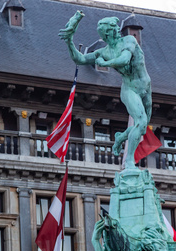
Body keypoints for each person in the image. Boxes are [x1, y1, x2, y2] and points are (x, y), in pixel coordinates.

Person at [59, 12, 152, 169]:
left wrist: (105, 63)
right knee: (141, 122)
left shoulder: (129, 40)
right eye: (103, 34)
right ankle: (129, 161)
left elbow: (124, 59)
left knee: (143, 126)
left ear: (113, 31)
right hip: (129, 88)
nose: (105, 37)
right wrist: (69, 41)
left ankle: (121, 137)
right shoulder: (104, 52)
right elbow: (79, 59)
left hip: (146, 86)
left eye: (106, 33)